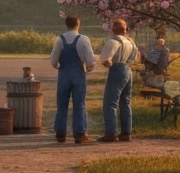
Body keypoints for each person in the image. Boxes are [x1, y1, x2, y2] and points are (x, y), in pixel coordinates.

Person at [50, 14, 96, 144]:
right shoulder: (83, 39)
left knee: (62, 104)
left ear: (67, 24)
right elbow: (90, 61)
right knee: (79, 104)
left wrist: (57, 66)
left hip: (64, 73)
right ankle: (80, 134)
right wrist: (89, 69)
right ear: (78, 24)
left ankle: (60, 134)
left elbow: (53, 60)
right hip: (78, 73)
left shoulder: (60, 39)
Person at [98, 19, 139, 143]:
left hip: (117, 69)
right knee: (125, 102)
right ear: (125, 29)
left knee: (110, 102)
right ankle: (126, 133)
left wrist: (107, 63)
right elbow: (136, 57)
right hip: (127, 69)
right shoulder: (130, 42)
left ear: (114, 28)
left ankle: (111, 133)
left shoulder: (113, 41)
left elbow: (105, 59)